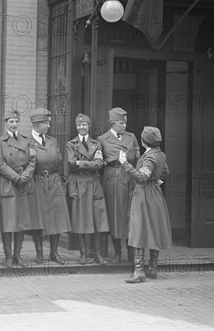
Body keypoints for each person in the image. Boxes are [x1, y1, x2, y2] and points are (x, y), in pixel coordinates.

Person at [120, 126, 172, 283]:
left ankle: (139, 271)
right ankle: (153, 269)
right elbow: (165, 172)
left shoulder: (149, 157)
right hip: (155, 194)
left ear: (144, 141)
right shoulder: (160, 155)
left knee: (138, 230)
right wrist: (156, 180)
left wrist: (125, 164)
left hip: (143, 195)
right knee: (154, 229)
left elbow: (141, 177)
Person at [28, 108, 71, 265]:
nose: (48, 126)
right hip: (37, 181)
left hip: (54, 181)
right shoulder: (27, 142)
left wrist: (61, 181)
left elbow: (59, 160)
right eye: (45, 123)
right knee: (39, 219)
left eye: (48, 123)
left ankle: (54, 252)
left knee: (57, 218)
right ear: (36, 124)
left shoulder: (52, 141)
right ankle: (39, 252)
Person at [97, 107, 140, 265]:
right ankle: (117, 253)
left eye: (125, 122)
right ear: (112, 123)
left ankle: (131, 252)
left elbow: (137, 158)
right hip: (111, 179)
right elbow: (99, 162)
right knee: (114, 214)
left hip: (128, 177)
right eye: (121, 123)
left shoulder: (132, 137)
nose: (124, 125)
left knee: (130, 215)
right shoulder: (102, 139)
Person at [0, 110, 36, 268]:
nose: (13, 124)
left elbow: (33, 160)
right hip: (8, 183)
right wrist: (15, 177)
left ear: (19, 122)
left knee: (21, 221)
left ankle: (18, 255)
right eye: (10, 121)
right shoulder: (0, 142)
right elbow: (0, 163)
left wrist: (24, 176)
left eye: (16, 121)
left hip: (23, 184)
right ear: (5, 123)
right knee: (8, 221)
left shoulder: (27, 140)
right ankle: (8, 255)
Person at [66, 113, 108, 265]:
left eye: (84, 125)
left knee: (98, 220)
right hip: (79, 184)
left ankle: (97, 254)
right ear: (76, 127)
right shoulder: (71, 144)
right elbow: (71, 163)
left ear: (88, 126)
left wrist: (80, 163)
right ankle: (83, 254)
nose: (81, 127)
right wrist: (84, 164)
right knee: (81, 220)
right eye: (79, 125)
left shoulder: (96, 144)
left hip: (94, 184)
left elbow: (99, 163)